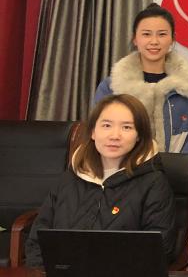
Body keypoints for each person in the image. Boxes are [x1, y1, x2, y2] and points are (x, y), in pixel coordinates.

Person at [25, 93, 175, 267]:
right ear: (93, 132)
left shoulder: (154, 182)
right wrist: (42, 276)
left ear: (139, 135)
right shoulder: (69, 178)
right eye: (106, 125)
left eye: (126, 127)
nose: (115, 135)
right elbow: (37, 240)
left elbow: (158, 249)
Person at [94, 3, 188, 153]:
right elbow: (101, 130)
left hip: (177, 165)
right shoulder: (111, 86)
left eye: (162, 34)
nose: (154, 41)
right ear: (135, 39)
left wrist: (181, 163)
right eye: (146, 34)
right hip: (124, 164)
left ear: (172, 39)